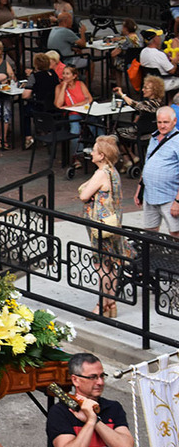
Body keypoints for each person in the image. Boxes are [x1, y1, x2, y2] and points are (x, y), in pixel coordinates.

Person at [77, 136, 129, 318]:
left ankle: (102, 305)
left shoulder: (100, 173)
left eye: (94, 150)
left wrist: (84, 190)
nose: (91, 153)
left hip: (100, 227)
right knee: (111, 264)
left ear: (102, 155)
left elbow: (84, 195)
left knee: (102, 265)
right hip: (113, 223)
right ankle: (111, 303)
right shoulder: (112, 171)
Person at [135, 106, 179, 238]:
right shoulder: (153, 138)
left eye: (166, 122)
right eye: (159, 122)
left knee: (175, 233)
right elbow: (148, 164)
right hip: (150, 195)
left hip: (169, 197)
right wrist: (139, 189)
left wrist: (178, 201)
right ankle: (152, 258)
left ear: (174, 121)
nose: (162, 126)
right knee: (149, 232)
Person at [114, 75, 165, 170]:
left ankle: (129, 158)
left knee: (114, 134)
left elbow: (136, 105)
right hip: (148, 130)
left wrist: (122, 94)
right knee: (120, 130)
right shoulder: (158, 103)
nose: (143, 90)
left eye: (146, 88)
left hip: (142, 132)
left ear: (154, 90)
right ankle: (129, 159)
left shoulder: (153, 103)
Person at [54, 65, 94, 166]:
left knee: (96, 127)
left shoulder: (80, 84)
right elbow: (58, 104)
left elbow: (89, 99)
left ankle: (102, 152)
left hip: (85, 112)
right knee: (75, 131)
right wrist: (63, 87)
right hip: (72, 114)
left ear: (74, 76)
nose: (65, 76)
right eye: (63, 73)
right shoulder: (58, 87)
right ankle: (76, 156)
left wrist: (75, 105)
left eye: (67, 74)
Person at [109, 18, 141, 89]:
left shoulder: (125, 41)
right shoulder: (140, 38)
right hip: (138, 62)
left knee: (117, 62)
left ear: (126, 28)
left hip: (127, 63)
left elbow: (113, 54)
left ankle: (118, 86)